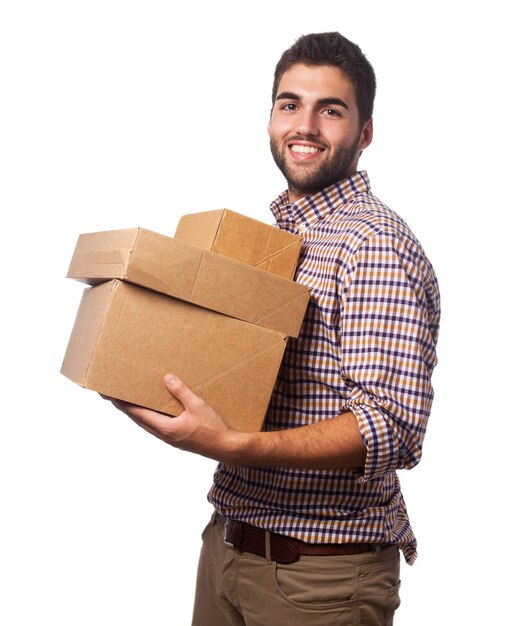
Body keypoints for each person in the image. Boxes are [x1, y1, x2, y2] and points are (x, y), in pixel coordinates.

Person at [108, 31, 440, 625]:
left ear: (364, 133)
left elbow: (392, 429)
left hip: (320, 576)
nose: (305, 125)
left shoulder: (374, 245)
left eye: (330, 110)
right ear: (270, 119)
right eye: (290, 104)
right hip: (230, 547)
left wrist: (231, 445)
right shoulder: (278, 244)